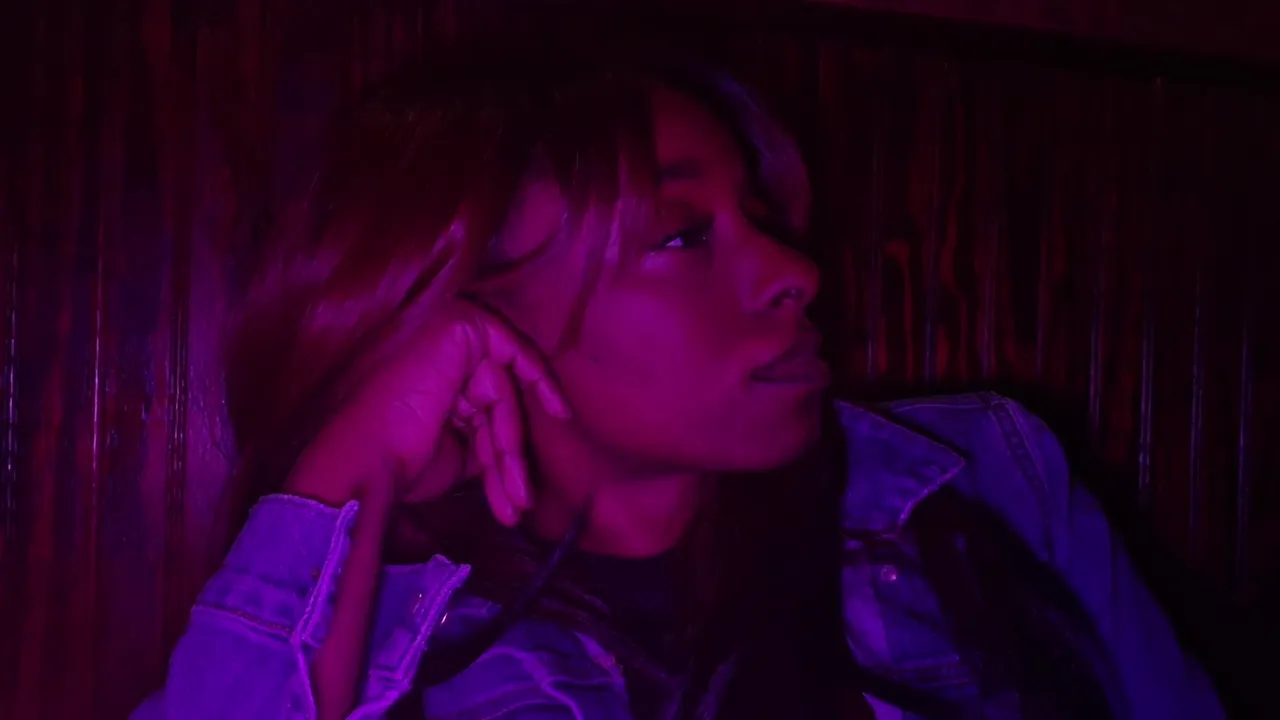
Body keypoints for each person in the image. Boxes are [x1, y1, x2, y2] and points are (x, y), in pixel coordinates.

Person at [132, 45, 1223, 720]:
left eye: (762, 217)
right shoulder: (378, 638)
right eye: (681, 235)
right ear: (463, 311)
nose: (795, 272)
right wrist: (353, 464)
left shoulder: (985, 475)